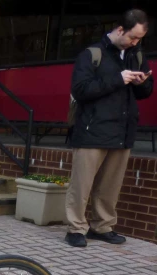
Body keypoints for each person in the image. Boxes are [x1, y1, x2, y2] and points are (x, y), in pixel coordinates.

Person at [65, 9, 153, 247]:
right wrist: (118, 78)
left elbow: (145, 93)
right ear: (120, 29)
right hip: (92, 130)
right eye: (133, 37)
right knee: (81, 184)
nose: (135, 43)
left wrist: (142, 83)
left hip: (122, 131)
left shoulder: (136, 55)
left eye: (139, 40)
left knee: (110, 186)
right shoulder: (92, 54)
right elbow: (80, 90)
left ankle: (102, 226)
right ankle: (76, 228)